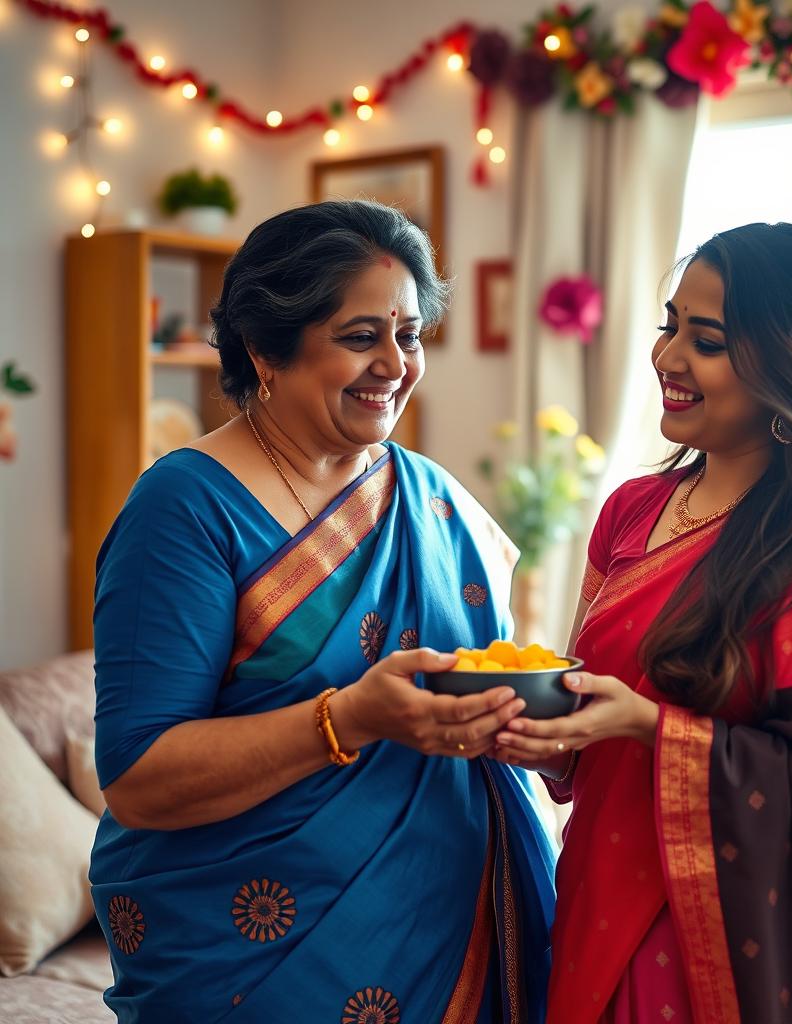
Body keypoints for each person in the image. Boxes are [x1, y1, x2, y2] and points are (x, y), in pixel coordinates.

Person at [493, 223, 792, 1023]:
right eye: (670, 325)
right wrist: (548, 732)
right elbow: (591, 731)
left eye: (709, 340)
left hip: (718, 953)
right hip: (589, 897)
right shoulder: (630, 514)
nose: (667, 358)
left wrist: (657, 730)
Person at [89, 199, 555, 1023]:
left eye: (409, 336)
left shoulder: (433, 501)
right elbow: (139, 781)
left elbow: (493, 678)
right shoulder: (186, 506)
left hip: (447, 925)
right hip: (254, 955)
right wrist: (348, 719)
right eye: (359, 336)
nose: (395, 364)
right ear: (267, 347)